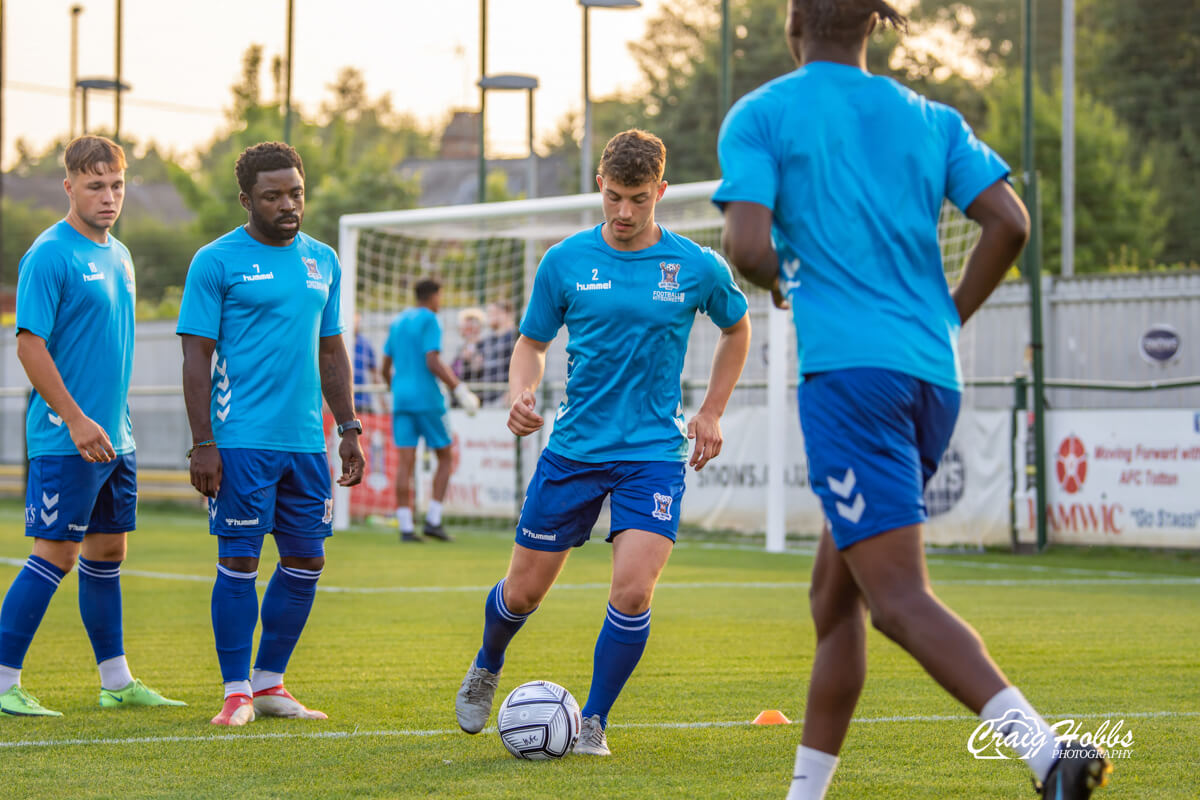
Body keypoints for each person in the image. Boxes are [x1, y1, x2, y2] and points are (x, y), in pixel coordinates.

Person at [714, 3, 1111, 799]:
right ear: (871, 25)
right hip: (933, 376)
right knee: (835, 596)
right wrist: (948, 314)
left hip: (852, 381)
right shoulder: (932, 117)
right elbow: (1008, 222)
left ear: (795, 25)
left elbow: (747, 247)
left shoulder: (762, 114)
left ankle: (1045, 756)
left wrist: (789, 284)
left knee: (896, 601)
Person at [454, 129, 751, 756]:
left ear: (661, 192)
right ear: (599, 185)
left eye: (638, 199)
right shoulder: (563, 261)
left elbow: (737, 326)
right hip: (574, 452)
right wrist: (520, 392)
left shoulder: (695, 266)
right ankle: (487, 663)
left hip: (652, 456)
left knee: (634, 590)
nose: (623, 212)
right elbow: (531, 343)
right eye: (614, 196)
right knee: (523, 593)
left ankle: (593, 722)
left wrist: (712, 411)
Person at [177, 141, 364, 726]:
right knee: (238, 562)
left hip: (306, 441)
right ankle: (235, 692)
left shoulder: (323, 261)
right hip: (240, 440)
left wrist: (350, 428)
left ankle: (269, 682)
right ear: (246, 200)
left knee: (307, 560)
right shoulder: (216, 261)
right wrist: (203, 442)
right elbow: (195, 357)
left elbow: (331, 349)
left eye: (296, 193)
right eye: (273, 196)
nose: (288, 205)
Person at [0, 135, 184, 717]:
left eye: (117, 185)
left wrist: (109, 424)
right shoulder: (49, 254)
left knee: (107, 552)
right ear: (69, 187)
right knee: (54, 554)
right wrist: (75, 418)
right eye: (95, 185)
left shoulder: (121, 255)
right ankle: (2, 681)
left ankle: (116, 681)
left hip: (115, 438)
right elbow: (30, 347)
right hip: (66, 437)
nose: (109, 197)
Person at [381, 278, 480, 542]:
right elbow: (432, 360)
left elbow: (384, 366)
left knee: (404, 462)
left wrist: (397, 390)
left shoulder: (398, 321)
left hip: (401, 400)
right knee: (445, 456)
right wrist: (460, 389)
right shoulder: (431, 320)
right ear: (434, 296)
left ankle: (405, 527)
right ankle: (433, 521)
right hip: (427, 399)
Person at [478, 299, 516, 404]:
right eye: (489, 313)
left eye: (494, 313)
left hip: (506, 397)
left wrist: (511, 392)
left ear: (507, 314)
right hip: (487, 397)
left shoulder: (515, 338)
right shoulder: (487, 340)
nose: (490, 316)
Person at [451, 307, 487, 388]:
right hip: (462, 389)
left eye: (470, 323)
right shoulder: (461, 347)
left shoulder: (485, 345)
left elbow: (480, 368)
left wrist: (471, 359)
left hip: (479, 390)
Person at [353, 314, 381, 415]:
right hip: (343, 401)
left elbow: (375, 374)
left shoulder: (365, 344)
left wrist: (383, 402)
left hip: (363, 402)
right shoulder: (339, 344)